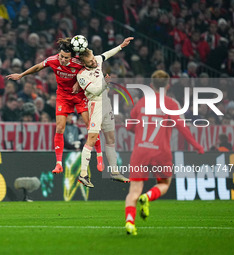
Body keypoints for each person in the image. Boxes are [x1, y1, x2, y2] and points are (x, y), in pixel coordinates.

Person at [6, 37, 103, 174]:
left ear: (72, 57)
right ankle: (58, 164)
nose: (63, 60)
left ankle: (99, 156)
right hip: (63, 96)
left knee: (89, 125)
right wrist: (21, 75)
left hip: (79, 95)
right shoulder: (53, 60)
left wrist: (78, 81)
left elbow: (92, 70)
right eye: (62, 57)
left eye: (66, 58)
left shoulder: (79, 62)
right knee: (59, 127)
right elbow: (38, 67)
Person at [124, 70, 204, 235]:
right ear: (168, 86)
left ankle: (130, 222)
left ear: (151, 85)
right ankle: (148, 196)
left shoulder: (141, 102)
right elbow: (182, 128)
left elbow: (129, 127)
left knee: (133, 190)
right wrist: (197, 146)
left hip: (140, 152)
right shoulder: (171, 104)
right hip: (161, 152)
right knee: (164, 184)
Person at [76, 37, 134, 187]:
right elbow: (94, 91)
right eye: (90, 62)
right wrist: (104, 83)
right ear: (84, 63)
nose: (94, 63)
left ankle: (114, 172)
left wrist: (121, 46)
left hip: (106, 103)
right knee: (93, 137)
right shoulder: (81, 75)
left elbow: (107, 54)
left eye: (94, 60)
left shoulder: (96, 59)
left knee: (111, 138)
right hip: (95, 105)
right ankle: (83, 174)